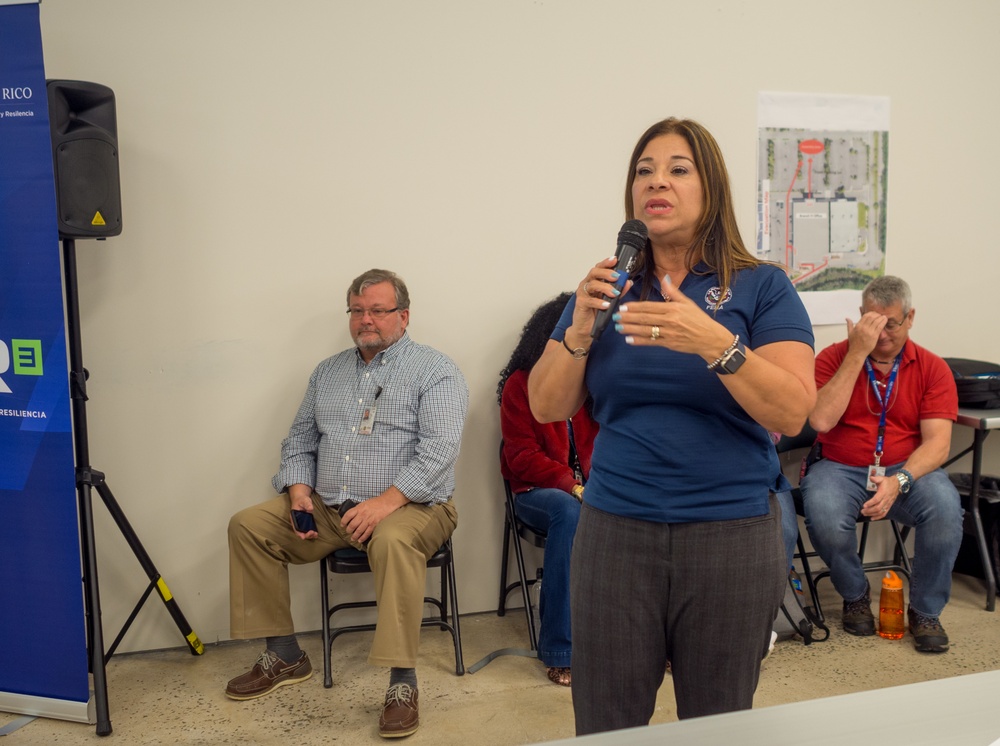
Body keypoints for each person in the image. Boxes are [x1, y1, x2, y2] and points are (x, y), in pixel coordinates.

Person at [527, 117, 816, 735]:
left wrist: (718, 345)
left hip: (729, 534)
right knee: (607, 719)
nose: (657, 181)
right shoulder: (607, 287)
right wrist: (579, 327)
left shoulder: (762, 286)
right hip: (614, 534)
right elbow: (545, 405)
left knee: (715, 721)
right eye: (643, 170)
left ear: (710, 187)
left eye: (678, 169)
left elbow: (793, 411)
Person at [225, 268, 468, 739]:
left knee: (394, 543)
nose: (366, 320)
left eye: (378, 310)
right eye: (357, 311)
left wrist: (386, 503)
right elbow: (299, 438)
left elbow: (439, 452)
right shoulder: (328, 372)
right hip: (332, 506)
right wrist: (297, 489)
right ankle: (285, 653)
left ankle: (402, 683)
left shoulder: (435, 370)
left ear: (404, 315)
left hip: (416, 506)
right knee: (247, 525)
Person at [800, 275, 963, 653]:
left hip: (908, 467)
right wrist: (857, 353)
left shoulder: (932, 368)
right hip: (839, 466)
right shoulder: (832, 358)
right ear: (859, 318)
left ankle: (925, 611)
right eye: (872, 323)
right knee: (823, 512)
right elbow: (820, 422)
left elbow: (938, 444)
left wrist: (900, 479)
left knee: (944, 508)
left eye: (891, 324)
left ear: (910, 318)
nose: (882, 334)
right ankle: (855, 594)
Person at [498, 292, 599, 688]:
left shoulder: (593, 384)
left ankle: (649, 642)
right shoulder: (521, 387)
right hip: (537, 494)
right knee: (569, 512)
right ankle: (561, 649)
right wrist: (573, 487)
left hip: (592, 490)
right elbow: (521, 458)